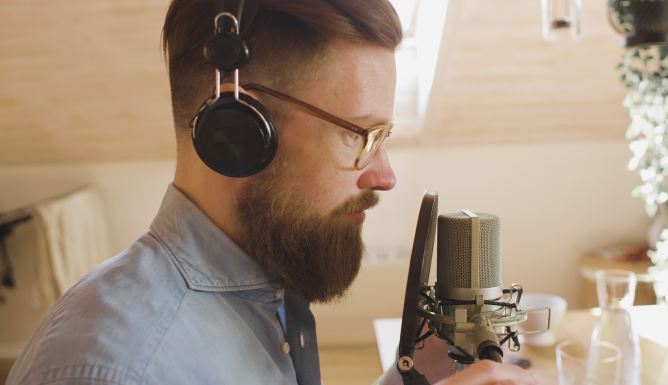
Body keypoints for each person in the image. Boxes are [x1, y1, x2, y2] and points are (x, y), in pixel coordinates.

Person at [7, 1, 537, 384]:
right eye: (359, 135)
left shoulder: (266, 288)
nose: (385, 175)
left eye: (384, 137)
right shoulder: (117, 371)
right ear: (236, 133)